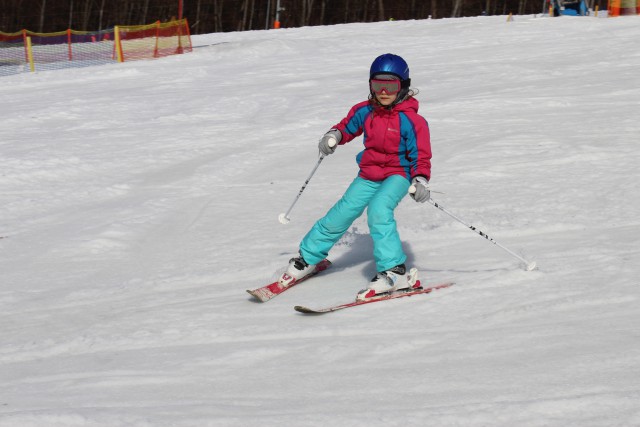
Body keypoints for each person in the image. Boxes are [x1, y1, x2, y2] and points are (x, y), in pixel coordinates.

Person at [280, 53, 432, 301]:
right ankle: (309, 257)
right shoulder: (365, 111)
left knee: (379, 210)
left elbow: (421, 156)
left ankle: (394, 270)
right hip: (370, 173)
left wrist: (420, 180)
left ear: (403, 86)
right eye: (377, 84)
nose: (383, 91)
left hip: (399, 174)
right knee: (343, 211)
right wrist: (334, 136)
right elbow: (347, 127)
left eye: (390, 85)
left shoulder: (412, 121)